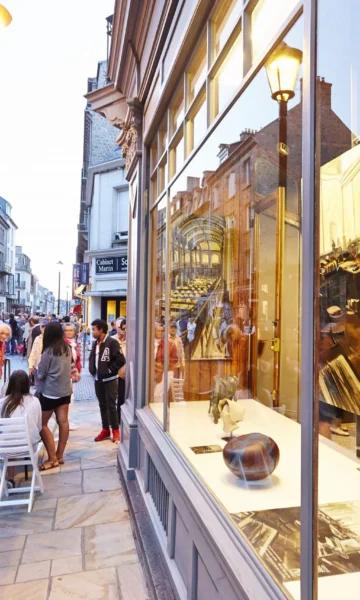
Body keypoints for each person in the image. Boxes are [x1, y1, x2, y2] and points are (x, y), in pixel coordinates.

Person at [36, 322, 72, 470]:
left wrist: (35, 372)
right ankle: (60, 455)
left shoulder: (48, 352)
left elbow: (41, 374)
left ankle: (52, 458)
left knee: (41, 424)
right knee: (63, 422)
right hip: (65, 391)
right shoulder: (67, 349)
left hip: (50, 393)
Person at [0, 370, 42, 487]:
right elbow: (39, 427)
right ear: (27, 384)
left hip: (5, 449)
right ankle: (33, 474)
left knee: (10, 441)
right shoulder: (35, 401)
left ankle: (10, 478)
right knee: (30, 439)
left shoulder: (2, 403)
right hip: (27, 448)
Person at [89, 319, 123, 443]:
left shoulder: (112, 342)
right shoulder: (95, 343)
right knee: (102, 405)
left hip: (110, 379)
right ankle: (105, 429)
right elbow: (93, 357)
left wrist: (109, 370)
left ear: (101, 330)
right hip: (98, 379)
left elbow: (120, 360)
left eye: (94, 329)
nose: (92, 331)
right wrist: (92, 369)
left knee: (111, 405)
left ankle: (115, 431)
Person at [112, 319, 126, 422]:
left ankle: (120, 418)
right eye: (122, 328)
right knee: (112, 398)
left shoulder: (131, 340)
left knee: (123, 396)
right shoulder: (112, 340)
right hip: (114, 373)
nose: (124, 331)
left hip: (127, 373)